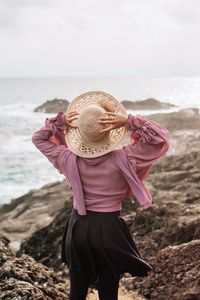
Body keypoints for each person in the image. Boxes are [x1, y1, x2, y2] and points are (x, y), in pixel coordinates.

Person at [32, 91, 170, 300]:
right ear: (109, 130)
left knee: (77, 290)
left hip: (78, 227)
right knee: (108, 290)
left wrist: (60, 123)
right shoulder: (125, 158)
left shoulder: (66, 158)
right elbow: (159, 140)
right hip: (109, 228)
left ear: (81, 132)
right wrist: (128, 121)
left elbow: (38, 138)